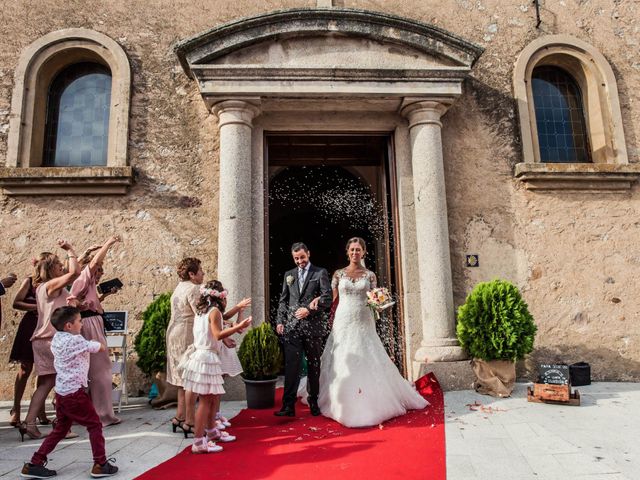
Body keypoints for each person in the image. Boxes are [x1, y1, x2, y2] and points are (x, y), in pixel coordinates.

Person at [316, 237, 428, 428]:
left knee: (366, 355)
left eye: (358, 250)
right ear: (347, 252)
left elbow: (375, 300)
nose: (354, 253)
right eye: (352, 250)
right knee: (342, 357)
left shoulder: (370, 275)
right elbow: (332, 300)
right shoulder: (338, 275)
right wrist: (318, 303)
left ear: (364, 252)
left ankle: (370, 399)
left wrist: (380, 303)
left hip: (364, 320)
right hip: (343, 319)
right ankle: (340, 399)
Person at [20, 306, 118, 478]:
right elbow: (94, 347)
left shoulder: (57, 338)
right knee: (94, 425)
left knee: (60, 429)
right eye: (79, 321)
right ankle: (100, 463)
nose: (82, 324)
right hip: (75, 394)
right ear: (68, 326)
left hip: (62, 393)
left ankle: (34, 463)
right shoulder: (75, 340)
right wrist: (102, 345)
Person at [180, 280, 251, 453]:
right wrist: (239, 326)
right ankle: (198, 442)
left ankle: (211, 432)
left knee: (211, 399)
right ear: (220, 297)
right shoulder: (215, 312)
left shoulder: (201, 311)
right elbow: (218, 334)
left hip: (201, 356)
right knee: (205, 401)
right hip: (207, 357)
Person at [21, 240, 81, 440]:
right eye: (58, 265)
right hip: (51, 340)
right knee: (58, 383)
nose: (61, 267)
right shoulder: (50, 285)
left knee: (48, 383)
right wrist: (71, 250)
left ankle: (31, 422)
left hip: (45, 339)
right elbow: (74, 273)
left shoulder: (44, 287)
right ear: (50, 268)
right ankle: (55, 424)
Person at [274, 242, 332, 418]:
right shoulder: (288, 275)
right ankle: (288, 406)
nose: (300, 261)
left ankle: (314, 401)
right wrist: (280, 320)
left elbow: (327, 298)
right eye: (296, 258)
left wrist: (309, 309)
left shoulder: (320, 273)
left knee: (314, 365)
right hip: (292, 327)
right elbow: (284, 300)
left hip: (313, 328)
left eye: (302, 257)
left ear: (309, 254)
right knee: (292, 366)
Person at [70, 235, 122, 426]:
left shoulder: (84, 283)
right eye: (97, 270)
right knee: (100, 371)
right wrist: (109, 242)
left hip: (92, 322)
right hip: (90, 324)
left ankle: (91, 412)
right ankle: (102, 415)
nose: (99, 272)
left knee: (91, 370)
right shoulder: (83, 278)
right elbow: (94, 262)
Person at [9, 257, 51, 428]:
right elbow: (16, 302)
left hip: (46, 326)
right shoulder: (30, 281)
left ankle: (39, 409)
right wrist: (38, 307)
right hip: (30, 325)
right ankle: (16, 408)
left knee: (44, 369)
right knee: (25, 368)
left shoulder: (55, 283)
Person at [165, 257, 204, 436]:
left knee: (182, 378)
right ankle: (190, 421)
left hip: (174, 333)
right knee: (190, 378)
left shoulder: (179, 287)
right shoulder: (193, 288)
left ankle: (179, 417)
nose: (203, 274)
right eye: (200, 271)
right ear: (192, 274)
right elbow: (201, 313)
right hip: (186, 334)